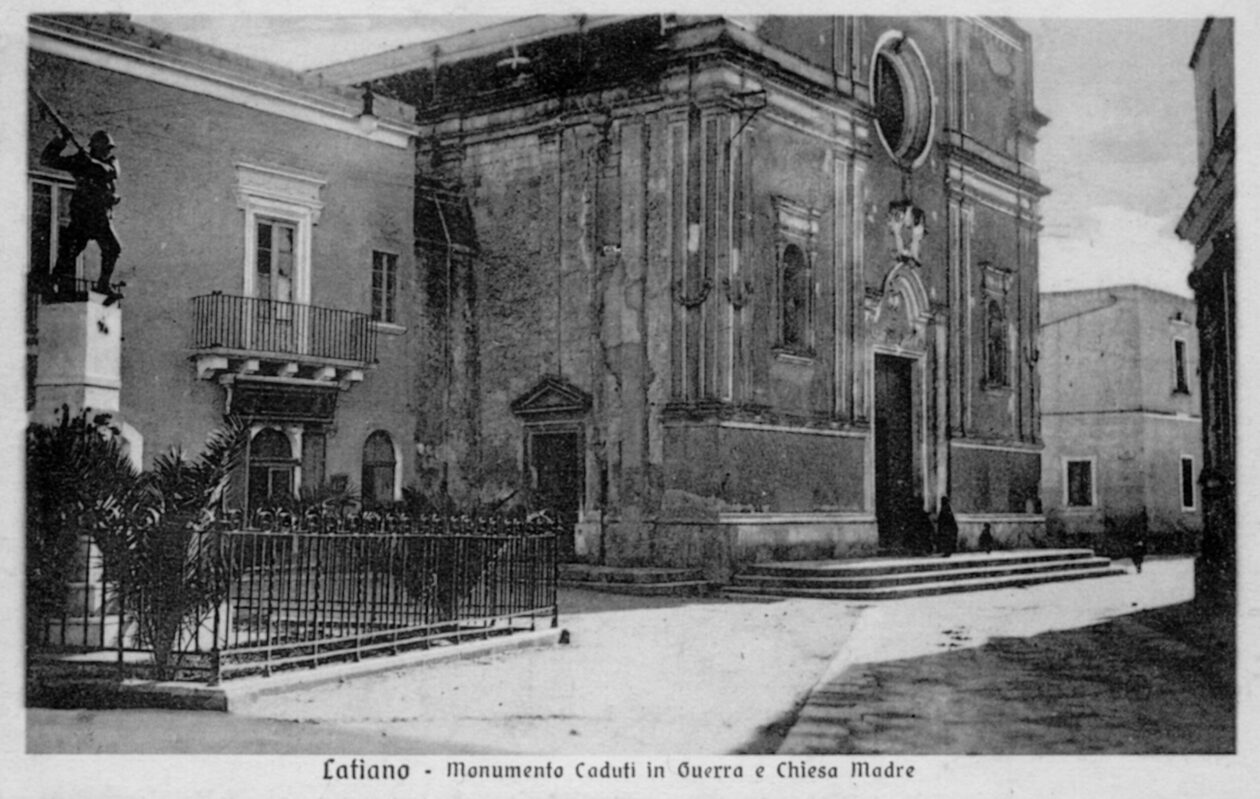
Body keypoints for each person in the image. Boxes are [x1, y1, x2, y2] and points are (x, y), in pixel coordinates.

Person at [40, 129, 122, 297]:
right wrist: (61, 140)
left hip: (101, 215)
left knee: (113, 248)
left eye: (109, 149)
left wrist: (89, 162)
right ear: (95, 147)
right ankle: (53, 281)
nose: (108, 152)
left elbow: (109, 172)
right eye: (105, 148)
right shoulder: (80, 161)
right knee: (70, 250)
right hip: (83, 214)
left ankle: (103, 285)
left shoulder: (110, 162)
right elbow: (47, 160)